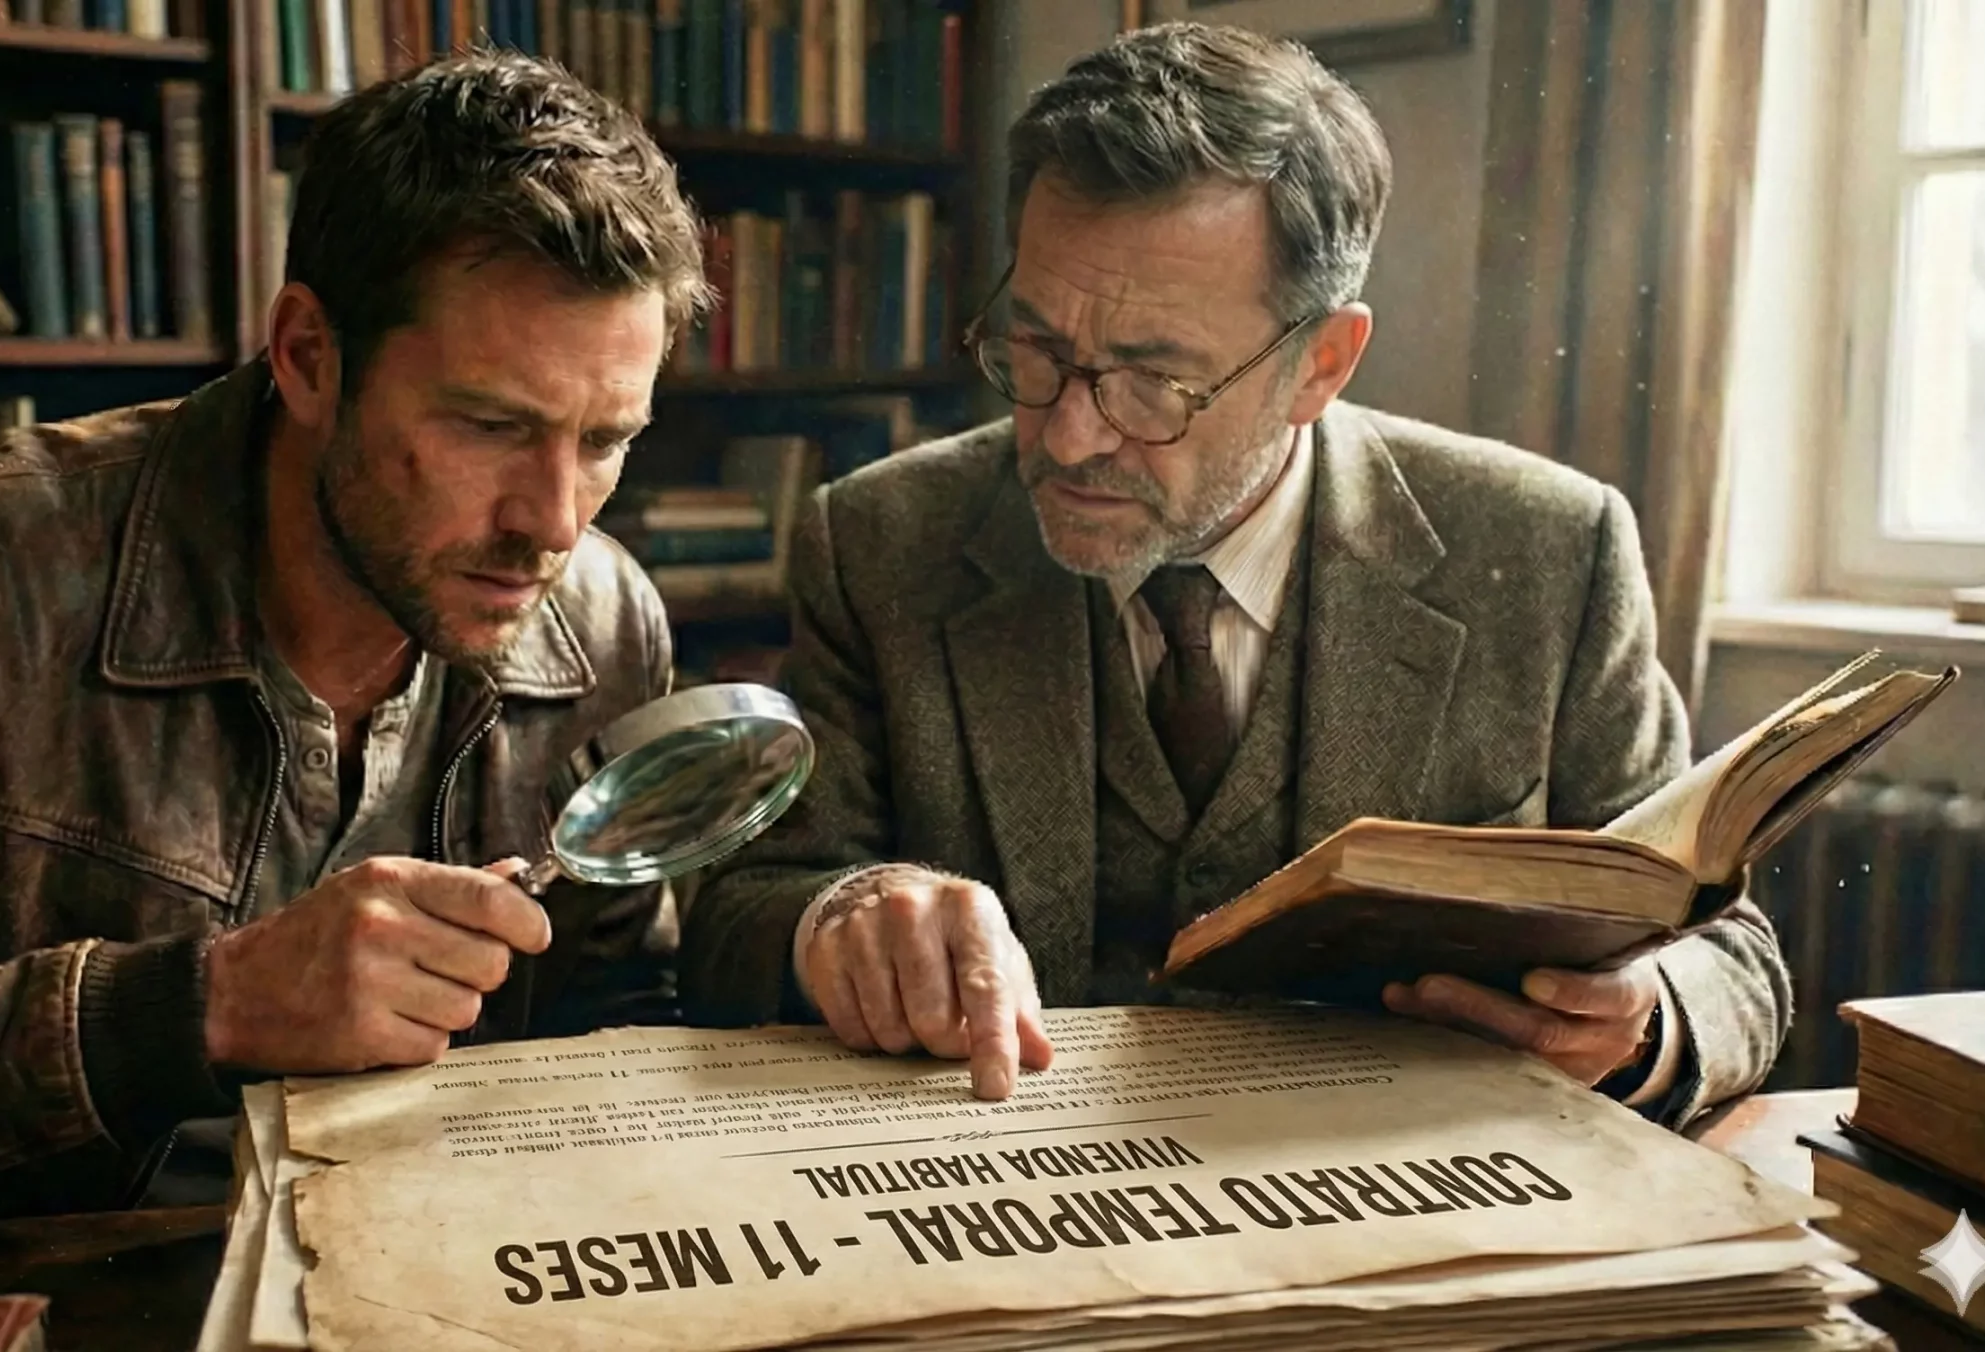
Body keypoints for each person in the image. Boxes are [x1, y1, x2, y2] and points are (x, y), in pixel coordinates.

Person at [680, 22, 1788, 1131]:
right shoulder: (881, 540)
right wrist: (844, 917)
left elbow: (1727, 955)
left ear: (1321, 364)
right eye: (1037, 351)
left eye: (1153, 382)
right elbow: (734, 922)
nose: (1068, 437)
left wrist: (1642, 1019)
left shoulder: (1549, 553)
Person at [0, 53, 709, 1222]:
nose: (551, 523)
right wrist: (200, 1005)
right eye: (491, 425)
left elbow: (614, 1009)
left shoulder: (605, 616)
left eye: (604, 441)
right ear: (308, 358)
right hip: (69, 1281)